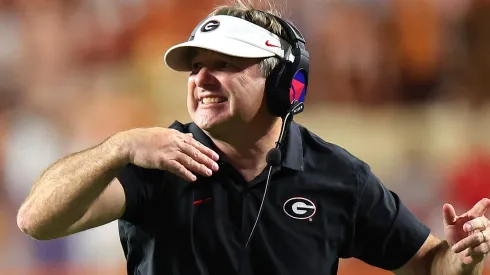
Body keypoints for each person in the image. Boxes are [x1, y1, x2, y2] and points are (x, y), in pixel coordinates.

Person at [16, 1, 490, 275]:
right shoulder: (160, 160)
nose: (202, 78)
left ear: (287, 83)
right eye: (196, 66)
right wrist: (116, 148)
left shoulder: (338, 176)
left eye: (224, 64)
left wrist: (462, 258)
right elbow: (36, 220)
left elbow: (428, 264)